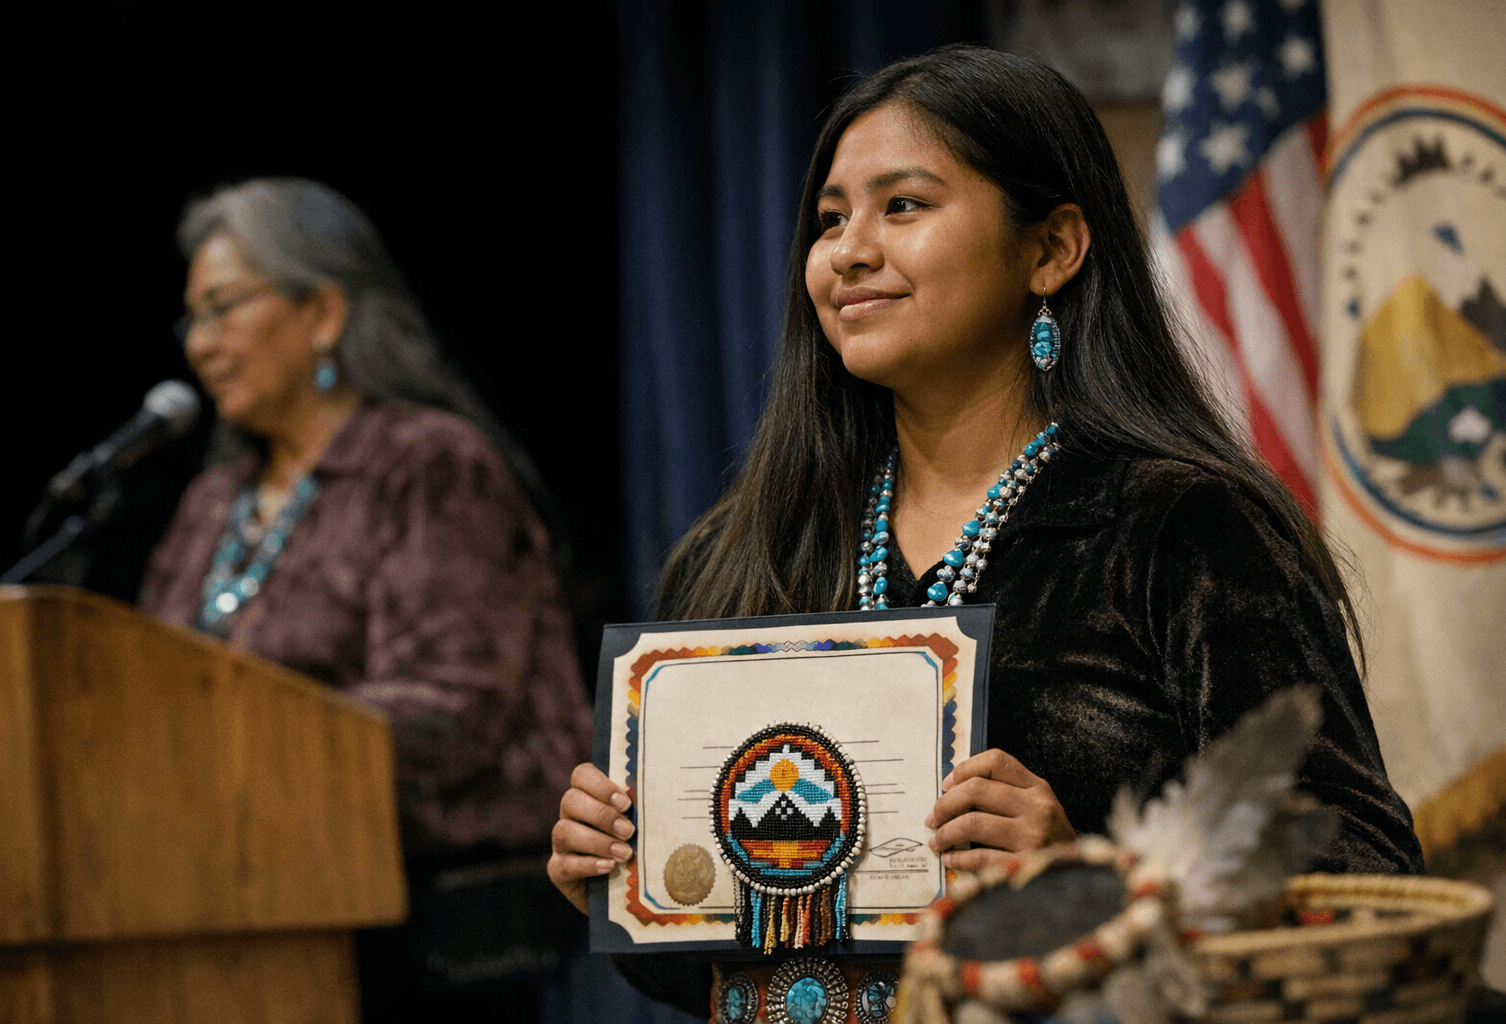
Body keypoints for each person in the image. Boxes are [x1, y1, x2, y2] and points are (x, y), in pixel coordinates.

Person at [548, 46, 1424, 1019]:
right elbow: (704, 970)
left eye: (904, 206)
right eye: (831, 218)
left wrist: (1093, 886)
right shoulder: (743, 550)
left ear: (1051, 249)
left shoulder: (1186, 524)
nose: (849, 250)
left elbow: (1360, 872)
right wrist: (620, 879)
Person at [140, 178, 593, 1023]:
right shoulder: (213, 501)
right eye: (193, 318)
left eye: (224, 307)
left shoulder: (426, 464)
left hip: (423, 930)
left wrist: (231, 757)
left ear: (323, 313)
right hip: (225, 909)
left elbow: (450, 708)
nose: (202, 345)